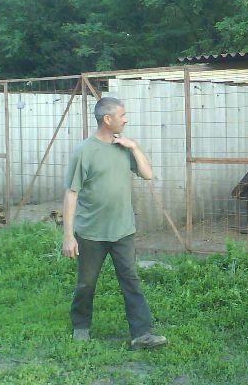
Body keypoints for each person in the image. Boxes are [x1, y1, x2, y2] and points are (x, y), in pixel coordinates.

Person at [62, 96, 166, 350]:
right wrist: (68, 236)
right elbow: (71, 193)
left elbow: (147, 174)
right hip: (91, 232)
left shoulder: (124, 147)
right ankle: (81, 327)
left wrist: (135, 147)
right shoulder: (85, 151)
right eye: (122, 115)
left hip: (123, 230)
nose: (126, 119)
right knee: (86, 282)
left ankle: (142, 334)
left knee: (130, 280)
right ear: (107, 119)